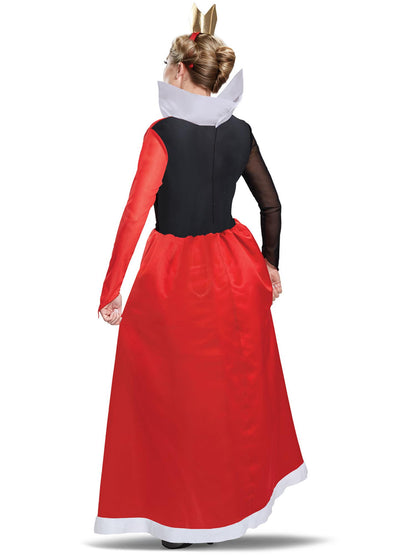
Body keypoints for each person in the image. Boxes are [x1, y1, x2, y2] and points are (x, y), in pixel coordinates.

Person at [94, 5, 307, 550]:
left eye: (166, 65)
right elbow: (272, 204)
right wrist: (270, 264)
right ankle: (235, 504)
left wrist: (112, 290)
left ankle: (183, 520)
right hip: (235, 270)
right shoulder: (240, 131)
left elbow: (135, 215)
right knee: (232, 394)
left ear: (179, 70)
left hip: (175, 277)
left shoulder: (162, 133)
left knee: (175, 398)